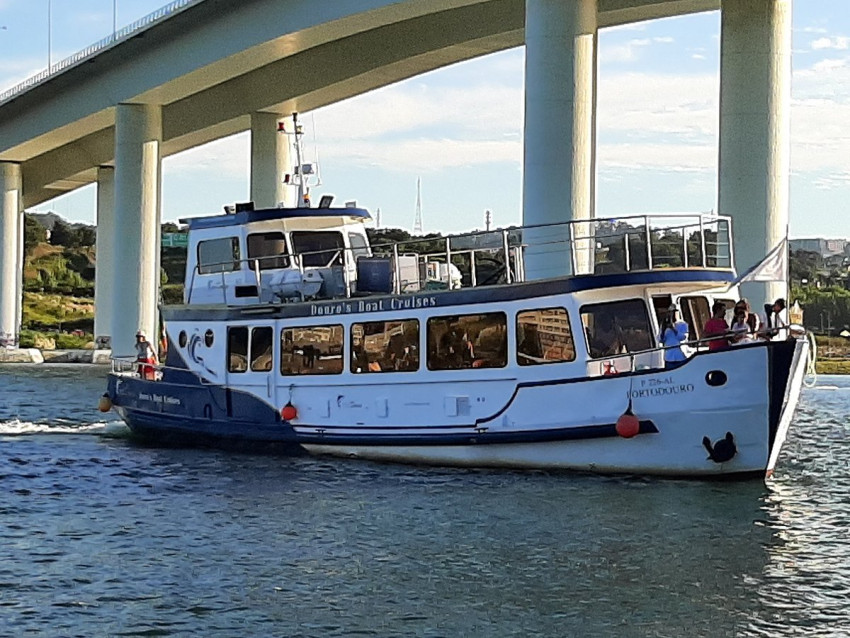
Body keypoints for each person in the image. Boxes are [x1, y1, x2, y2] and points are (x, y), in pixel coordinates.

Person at [659, 304, 689, 369]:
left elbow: (683, 338)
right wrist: (663, 330)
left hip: (680, 356)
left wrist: (673, 329)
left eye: (675, 312)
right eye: (671, 312)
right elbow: (660, 340)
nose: (672, 314)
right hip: (669, 357)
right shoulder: (664, 325)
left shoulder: (683, 324)